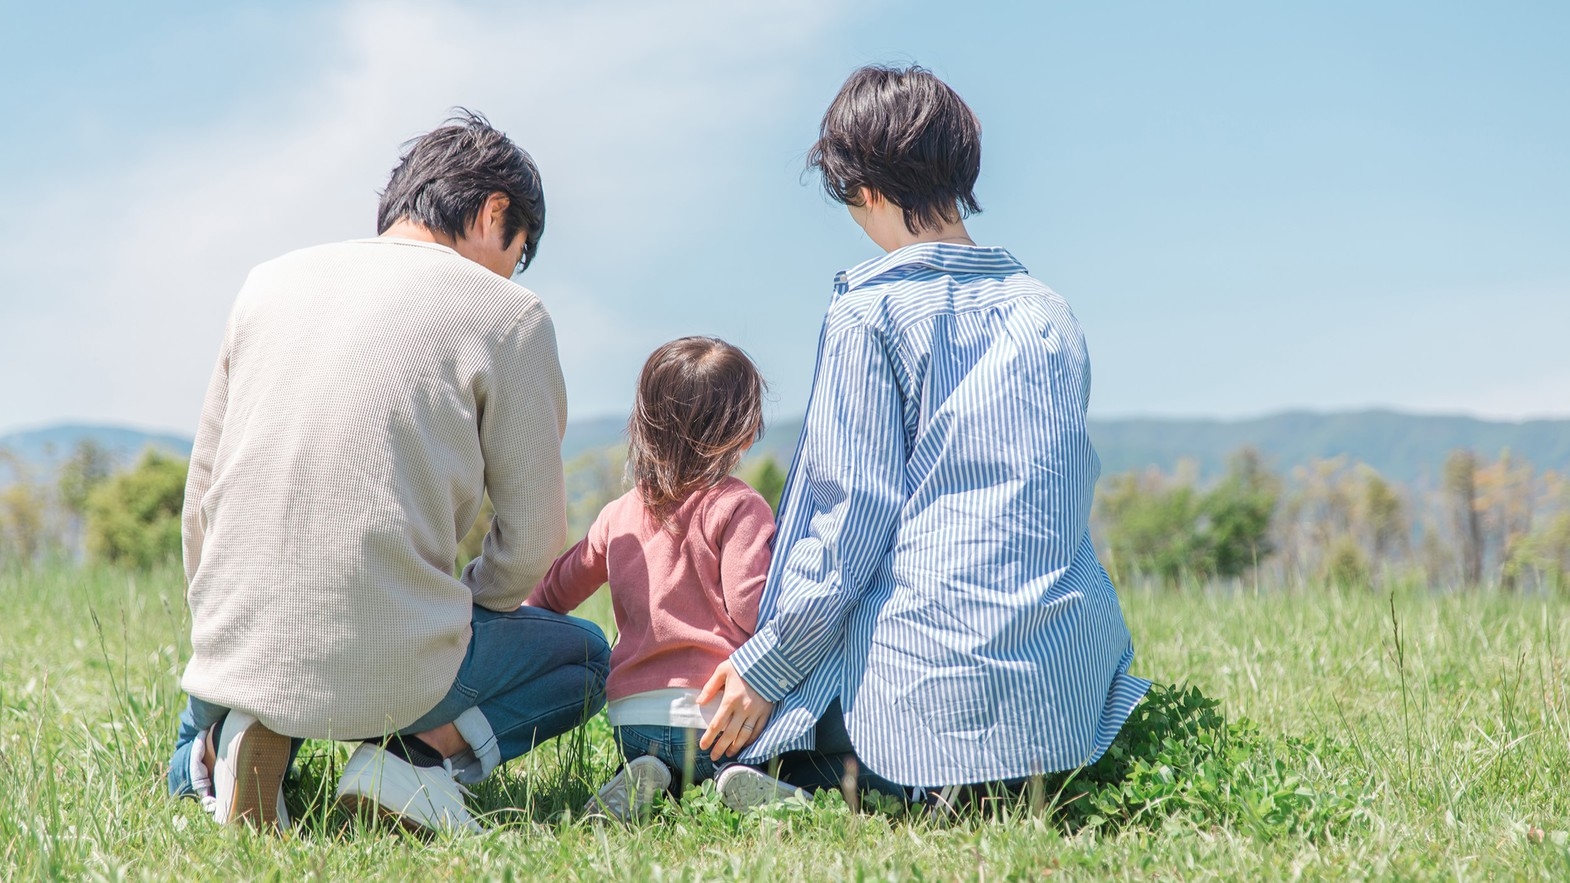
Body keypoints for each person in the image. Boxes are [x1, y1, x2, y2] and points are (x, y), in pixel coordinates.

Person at [695, 65, 1153, 809]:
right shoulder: (1047, 310)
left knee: (755, 727)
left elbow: (850, 523)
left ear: (864, 189)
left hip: (926, 701)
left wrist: (765, 667)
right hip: (1065, 707)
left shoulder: (868, 314)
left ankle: (819, 780)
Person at [166, 111, 611, 833]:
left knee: (230, 682)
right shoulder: (509, 314)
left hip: (233, 638)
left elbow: (201, 501)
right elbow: (534, 539)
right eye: (517, 250)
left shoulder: (266, 284)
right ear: (496, 212)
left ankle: (220, 746)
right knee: (587, 657)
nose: (511, 271)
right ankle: (408, 758)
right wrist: (465, 607)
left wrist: (223, 618)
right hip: (393, 661)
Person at [524, 337, 806, 820]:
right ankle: (732, 777)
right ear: (741, 434)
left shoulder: (618, 513)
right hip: (719, 714)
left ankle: (647, 769)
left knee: (654, 757)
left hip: (634, 716)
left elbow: (555, 591)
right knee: (737, 753)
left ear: (646, 427)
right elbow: (748, 608)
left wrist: (521, 615)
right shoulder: (740, 506)